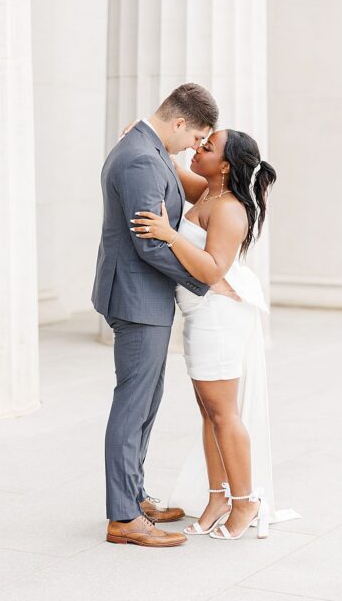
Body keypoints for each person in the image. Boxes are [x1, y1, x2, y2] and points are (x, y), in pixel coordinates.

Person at [131, 128, 290, 540]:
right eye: (202, 141)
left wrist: (168, 235)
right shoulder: (207, 189)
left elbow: (211, 270)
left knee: (224, 413)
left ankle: (245, 502)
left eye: (208, 146)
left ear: (224, 165)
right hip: (202, 314)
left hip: (217, 317)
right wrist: (145, 134)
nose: (198, 149)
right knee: (210, 412)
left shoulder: (230, 209)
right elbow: (167, 163)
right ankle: (218, 496)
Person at [92, 83, 219, 548]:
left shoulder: (146, 145)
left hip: (140, 295)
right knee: (133, 405)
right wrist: (204, 280)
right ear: (180, 122)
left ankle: (134, 494)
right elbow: (149, 243)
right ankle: (124, 517)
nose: (193, 149)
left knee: (145, 402)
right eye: (195, 138)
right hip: (137, 297)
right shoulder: (145, 156)